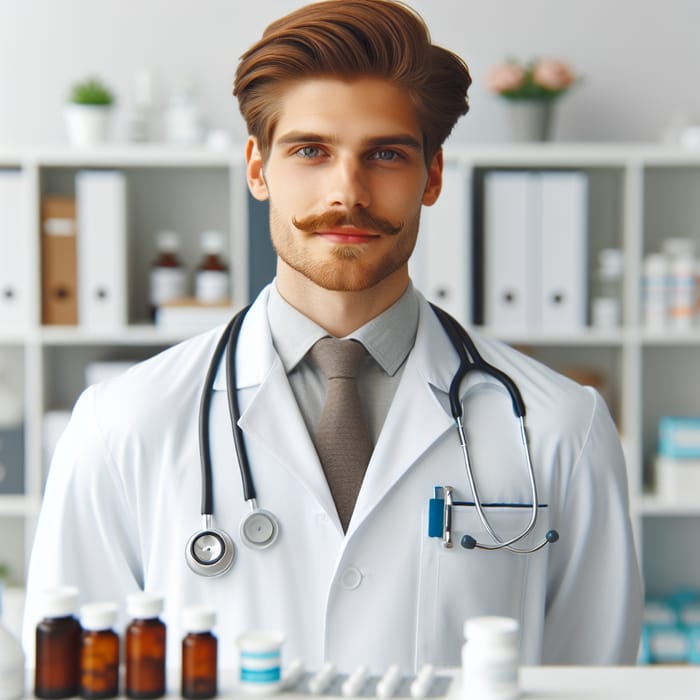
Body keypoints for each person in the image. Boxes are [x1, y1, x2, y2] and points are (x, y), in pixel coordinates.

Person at [24, 0, 642, 674]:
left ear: (432, 176)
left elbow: (593, 679)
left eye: (385, 154)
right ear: (258, 169)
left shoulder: (558, 427)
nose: (347, 192)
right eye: (311, 151)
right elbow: (74, 678)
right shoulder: (124, 423)